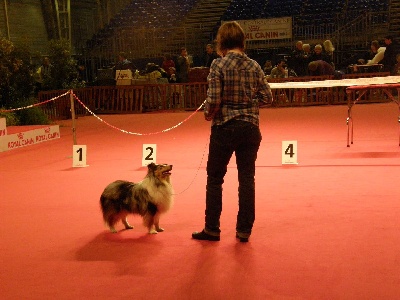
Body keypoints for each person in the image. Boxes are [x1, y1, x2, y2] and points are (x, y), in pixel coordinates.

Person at [192, 21, 272, 243]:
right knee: (247, 179)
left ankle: (212, 229)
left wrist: (208, 113)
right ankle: (244, 230)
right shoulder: (255, 66)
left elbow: (214, 100)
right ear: (242, 41)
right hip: (250, 128)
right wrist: (249, 104)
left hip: (224, 128)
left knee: (215, 179)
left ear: (222, 42)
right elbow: (268, 97)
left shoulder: (219, 65)